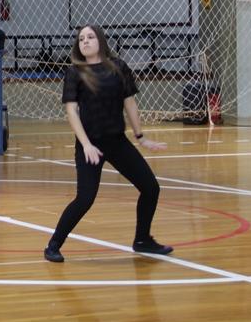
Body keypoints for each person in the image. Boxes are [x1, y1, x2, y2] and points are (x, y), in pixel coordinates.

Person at [43, 24, 173, 263]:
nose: (85, 41)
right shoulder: (75, 72)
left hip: (117, 142)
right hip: (90, 146)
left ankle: (142, 240)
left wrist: (141, 137)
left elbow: (130, 103)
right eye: (81, 39)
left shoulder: (119, 67)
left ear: (101, 41)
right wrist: (86, 145)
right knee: (85, 199)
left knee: (150, 188)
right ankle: (53, 245)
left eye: (90, 37)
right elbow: (72, 112)